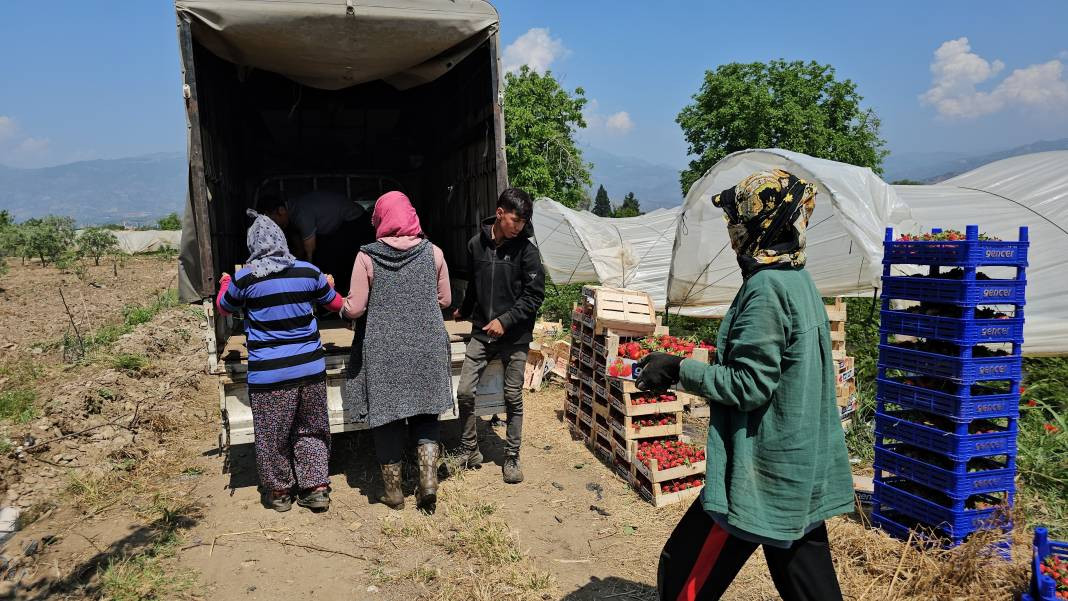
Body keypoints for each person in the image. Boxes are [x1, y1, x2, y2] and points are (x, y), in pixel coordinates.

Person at [637, 170, 852, 601]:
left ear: (761, 224)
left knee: (683, 579)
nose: (732, 233)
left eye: (737, 222)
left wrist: (678, 369)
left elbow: (750, 385)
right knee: (810, 584)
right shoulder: (797, 280)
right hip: (797, 465)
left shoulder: (767, 288)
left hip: (759, 471)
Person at [215, 209, 344, 513]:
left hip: (270, 376)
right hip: (311, 369)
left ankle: (279, 492)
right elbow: (336, 303)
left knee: (273, 436)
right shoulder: (309, 271)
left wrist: (224, 282)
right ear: (281, 240)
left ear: (253, 244)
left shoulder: (244, 277)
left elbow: (223, 307)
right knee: (311, 429)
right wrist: (329, 283)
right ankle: (315, 488)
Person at [341, 191, 453, 512]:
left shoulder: (366, 257)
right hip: (427, 345)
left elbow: (356, 308)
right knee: (426, 412)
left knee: (387, 417)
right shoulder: (434, 253)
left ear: (380, 218)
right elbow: (444, 300)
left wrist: (341, 308)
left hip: (383, 350)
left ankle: (393, 493)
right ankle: (428, 481)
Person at [452, 188, 545, 484]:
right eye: (514, 220)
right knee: (465, 392)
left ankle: (512, 457)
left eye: (523, 221)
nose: (518, 227)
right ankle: (470, 449)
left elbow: (533, 297)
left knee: (513, 398)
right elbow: (474, 286)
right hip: (481, 332)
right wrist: (464, 310)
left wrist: (505, 321)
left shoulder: (528, 252)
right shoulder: (475, 245)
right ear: (500, 212)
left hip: (514, 336)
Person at [257, 190, 371, 296]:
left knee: (331, 258)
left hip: (355, 221)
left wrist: (306, 282)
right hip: (338, 225)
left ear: (281, 210)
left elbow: (309, 251)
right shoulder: (292, 214)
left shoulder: (301, 213)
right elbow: (299, 248)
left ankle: (337, 296)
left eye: (274, 221)